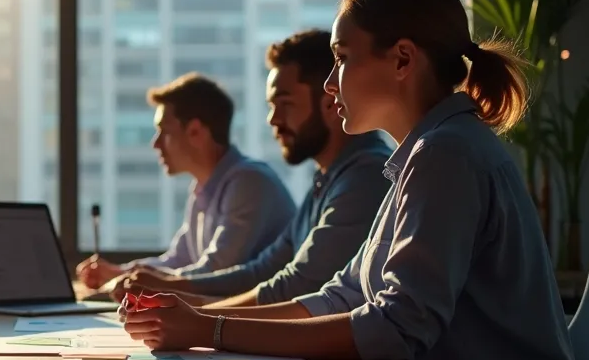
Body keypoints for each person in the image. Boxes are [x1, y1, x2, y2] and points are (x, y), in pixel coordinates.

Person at [120, 0, 589, 360]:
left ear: (403, 59)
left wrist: (209, 327)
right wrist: (198, 319)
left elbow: (394, 327)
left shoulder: (446, 155)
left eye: (342, 58)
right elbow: (341, 297)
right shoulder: (419, 157)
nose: (330, 84)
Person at [110, 30, 391, 307]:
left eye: (285, 104)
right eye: (271, 106)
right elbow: (263, 270)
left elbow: (296, 287)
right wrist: (171, 288)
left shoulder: (365, 176)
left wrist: (198, 316)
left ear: (330, 101)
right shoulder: (327, 179)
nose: (273, 119)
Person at [77, 72, 296, 289]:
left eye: (164, 131)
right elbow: (178, 260)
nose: (155, 144)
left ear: (195, 132)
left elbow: (214, 271)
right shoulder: (203, 188)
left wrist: (133, 279)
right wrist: (120, 272)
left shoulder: (249, 182)